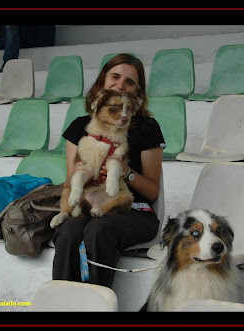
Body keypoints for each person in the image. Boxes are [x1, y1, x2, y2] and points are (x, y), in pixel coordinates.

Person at [52, 53, 166, 288]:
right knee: (70, 229)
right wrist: (82, 174)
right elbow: (70, 184)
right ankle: (62, 300)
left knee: (99, 229)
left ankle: (96, 302)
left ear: (138, 92)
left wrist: (126, 171)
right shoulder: (79, 126)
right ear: (102, 80)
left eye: (130, 82)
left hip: (134, 210)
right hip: (90, 203)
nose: (120, 84)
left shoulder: (148, 127)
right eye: (115, 76)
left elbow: (153, 191)